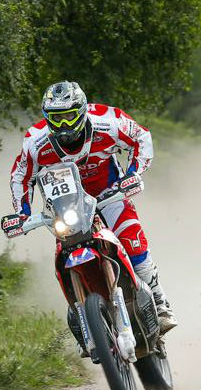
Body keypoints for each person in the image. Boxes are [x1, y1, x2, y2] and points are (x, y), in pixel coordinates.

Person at [9, 81, 178, 339]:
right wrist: (22, 213)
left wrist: (133, 174)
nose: (64, 124)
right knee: (62, 253)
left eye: (69, 116)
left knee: (132, 240)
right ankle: (82, 317)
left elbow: (141, 137)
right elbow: (21, 176)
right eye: (57, 118)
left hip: (109, 194)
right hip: (66, 207)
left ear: (82, 110)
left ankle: (160, 302)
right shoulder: (36, 141)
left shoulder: (108, 121)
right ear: (47, 118)